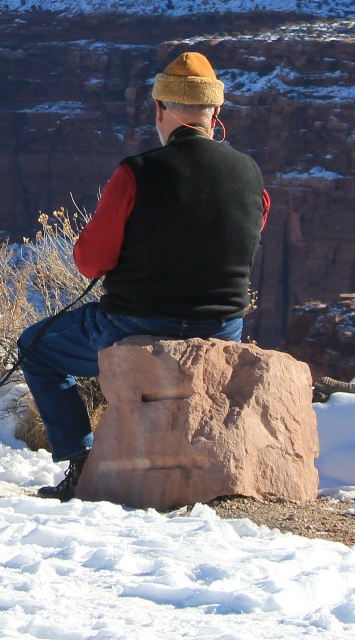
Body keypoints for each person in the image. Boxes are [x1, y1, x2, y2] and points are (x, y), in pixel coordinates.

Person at [18, 50, 269, 501]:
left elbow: (90, 262)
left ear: (160, 109)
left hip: (137, 324)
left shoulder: (136, 173)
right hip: (223, 327)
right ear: (216, 112)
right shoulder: (251, 174)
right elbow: (244, 239)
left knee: (36, 349)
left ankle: (80, 462)